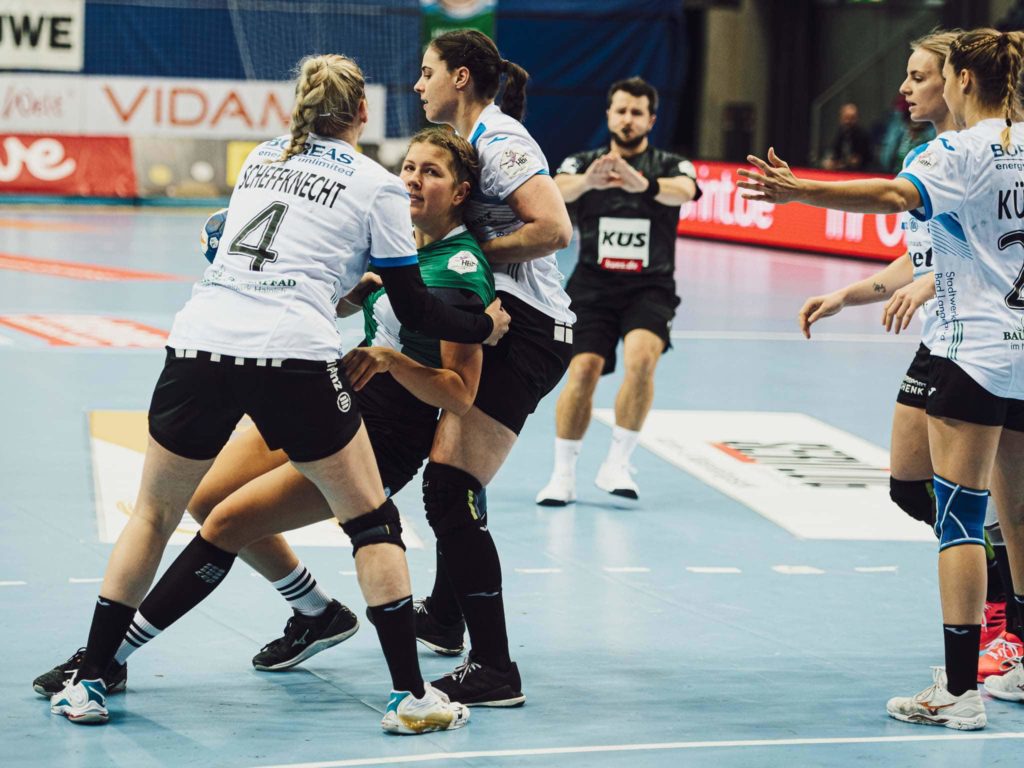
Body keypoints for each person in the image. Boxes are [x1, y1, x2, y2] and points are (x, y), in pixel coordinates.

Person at [46, 54, 512, 733]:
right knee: (364, 522)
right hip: (292, 357)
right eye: (410, 166)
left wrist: (364, 306)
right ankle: (404, 694)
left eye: (429, 172)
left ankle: (93, 673)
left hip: (203, 342)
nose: (412, 179)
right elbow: (412, 304)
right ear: (361, 114)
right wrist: (482, 324)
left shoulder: (263, 158)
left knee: (156, 515)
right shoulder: (374, 185)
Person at [738, 28, 1024, 729]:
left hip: (973, 350)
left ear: (961, 80)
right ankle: (1018, 658)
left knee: (960, 519)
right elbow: (943, 242)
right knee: (1017, 514)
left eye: (936, 74)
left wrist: (800, 189)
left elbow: (892, 194)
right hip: (1021, 349)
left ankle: (960, 692)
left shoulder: (958, 151)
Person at [408, 29, 575, 706]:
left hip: (530, 329)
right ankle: (444, 618)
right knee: (453, 477)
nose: (418, 85)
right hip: (512, 325)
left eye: (427, 72)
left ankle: (496, 669)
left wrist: (472, 253)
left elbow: (554, 229)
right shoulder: (470, 140)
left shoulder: (500, 142)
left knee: (450, 485)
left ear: (461, 77)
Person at [534, 77, 700, 505]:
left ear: (651, 120)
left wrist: (642, 184)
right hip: (593, 285)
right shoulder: (583, 162)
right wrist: (590, 182)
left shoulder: (670, 164)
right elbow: (555, 188)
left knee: (642, 360)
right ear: (608, 114)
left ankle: (618, 464)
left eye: (637, 112)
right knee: (583, 370)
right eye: (621, 110)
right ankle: (563, 475)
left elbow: (686, 191)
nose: (628, 119)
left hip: (650, 286)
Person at [821, 102, 873, 171]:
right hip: (843, 169)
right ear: (841, 118)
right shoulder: (841, 132)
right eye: (846, 118)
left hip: (861, 171)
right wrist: (831, 160)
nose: (848, 121)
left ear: (856, 119)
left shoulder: (862, 135)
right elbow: (835, 150)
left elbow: (857, 161)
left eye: (852, 118)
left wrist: (840, 163)